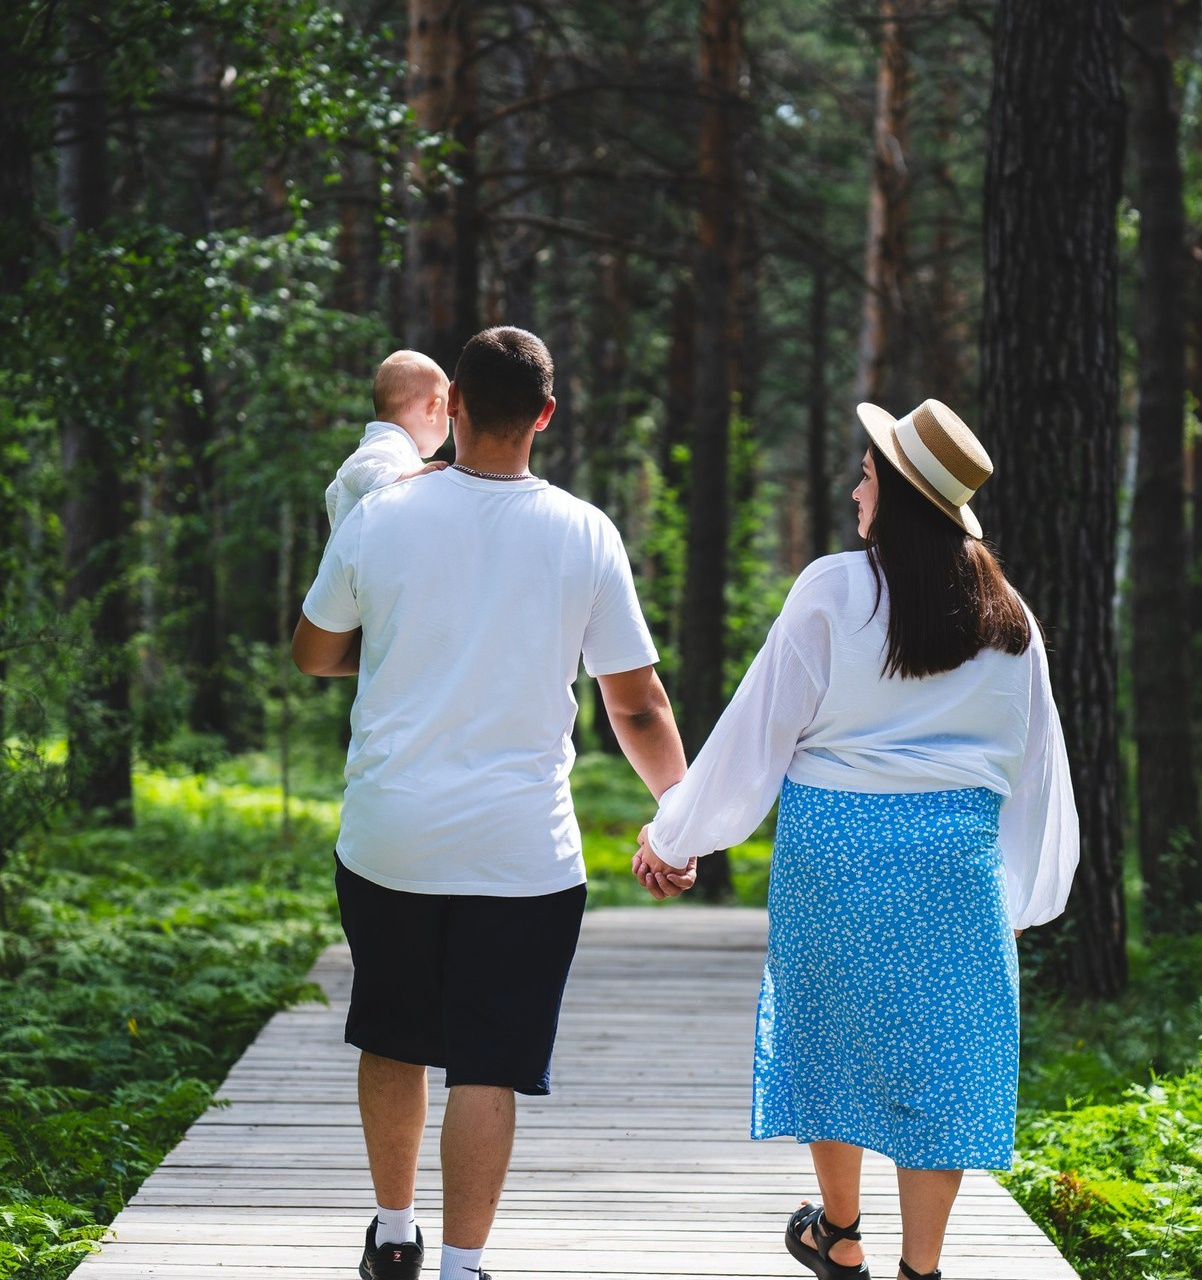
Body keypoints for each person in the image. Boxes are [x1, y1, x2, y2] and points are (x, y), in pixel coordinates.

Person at [633, 398, 1079, 1280]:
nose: (853, 490)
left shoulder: (835, 590)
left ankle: (839, 1233)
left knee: (832, 1036)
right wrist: (1023, 894)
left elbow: (757, 731)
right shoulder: (1010, 618)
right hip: (957, 860)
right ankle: (923, 1268)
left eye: (869, 476)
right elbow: (1038, 768)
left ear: (903, 497)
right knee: (943, 1062)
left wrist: (676, 833)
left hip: (834, 850)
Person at [292, 326, 690, 1280]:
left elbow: (313, 653)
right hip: (523, 854)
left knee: (391, 1034)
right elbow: (635, 701)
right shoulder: (584, 531)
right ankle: (465, 1267)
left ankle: (395, 1235)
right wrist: (681, 818)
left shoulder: (382, 513)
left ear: (453, 407)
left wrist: (391, 645)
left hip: (389, 838)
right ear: (546, 416)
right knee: (488, 1063)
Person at [325, 348, 452, 539]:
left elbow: (333, 492)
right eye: (448, 414)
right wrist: (411, 476)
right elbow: (357, 469)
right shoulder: (390, 441)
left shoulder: (396, 446)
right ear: (433, 411)